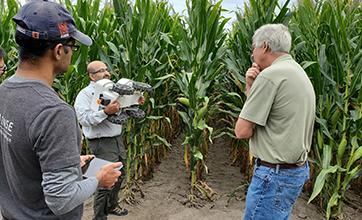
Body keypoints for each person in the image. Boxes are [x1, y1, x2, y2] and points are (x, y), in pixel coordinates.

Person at [0, 1, 122, 219]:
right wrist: (98, 179)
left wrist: (69, 164)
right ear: (58, 51)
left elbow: (22, 156)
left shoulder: (4, 91)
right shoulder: (54, 112)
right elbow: (61, 199)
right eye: (72, 47)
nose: (72, 53)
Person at [234, 24, 316, 220]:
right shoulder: (295, 70)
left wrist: (257, 84)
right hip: (293, 172)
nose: (253, 54)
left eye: (253, 47)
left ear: (264, 46)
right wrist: (250, 86)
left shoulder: (271, 76)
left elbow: (242, 130)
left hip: (273, 176)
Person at [74, 61, 144, 219]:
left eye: (107, 70)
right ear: (92, 76)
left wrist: (134, 102)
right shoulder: (85, 95)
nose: (107, 73)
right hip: (100, 142)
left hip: (116, 139)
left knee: (120, 173)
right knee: (104, 180)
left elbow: (122, 109)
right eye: (101, 71)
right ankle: (99, 217)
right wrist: (105, 111)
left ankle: (112, 205)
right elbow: (84, 119)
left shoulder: (111, 91)